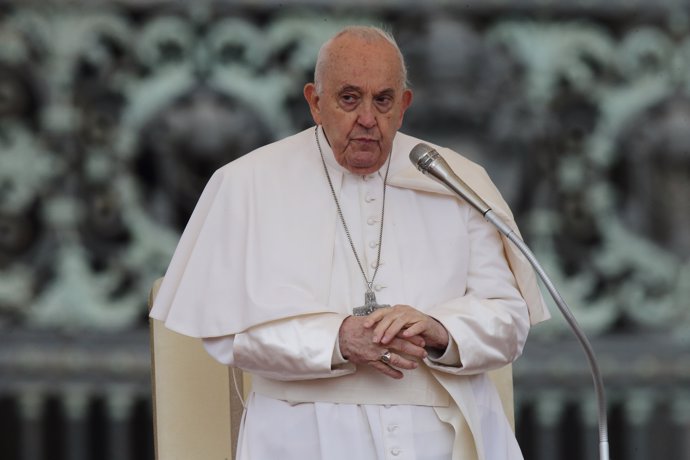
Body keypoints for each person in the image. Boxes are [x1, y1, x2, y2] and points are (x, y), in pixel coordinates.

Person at [150, 25, 549, 460]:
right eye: (348, 98)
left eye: (383, 100)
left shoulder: (456, 181)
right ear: (315, 102)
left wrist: (441, 331)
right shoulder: (248, 183)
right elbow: (228, 336)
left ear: (404, 106)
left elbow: (508, 321)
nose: (367, 118)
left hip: (443, 436)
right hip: (304, 436)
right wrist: (337, 339)